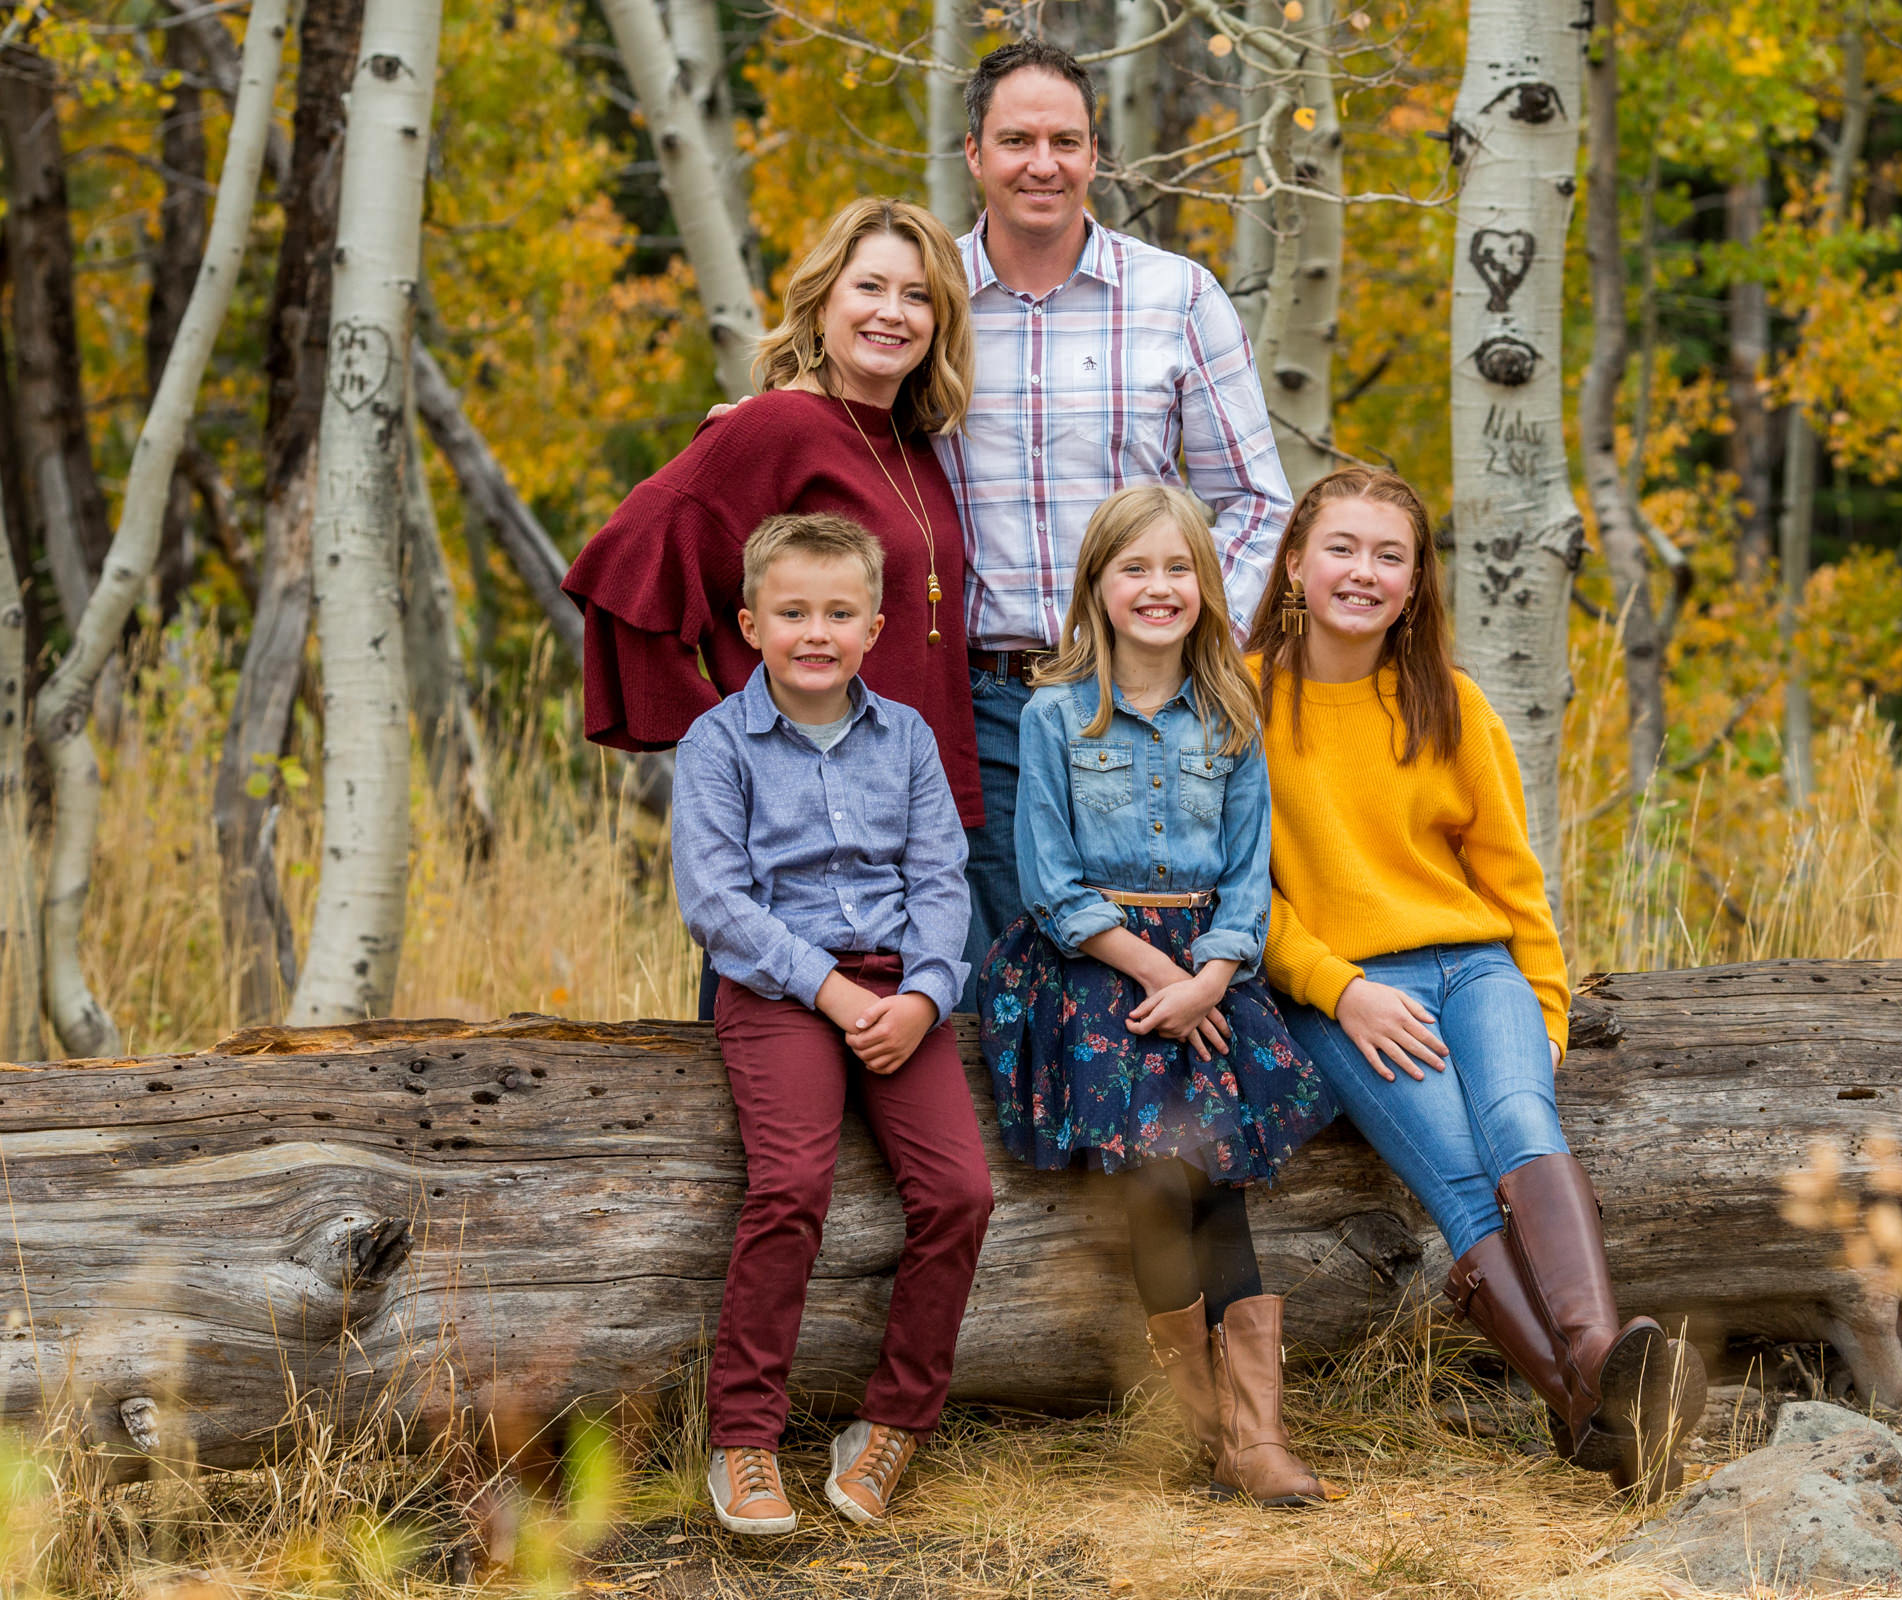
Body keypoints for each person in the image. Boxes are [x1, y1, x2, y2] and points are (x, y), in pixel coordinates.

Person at [1253, 468, 1707, 1500]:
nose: (1362, 572)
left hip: (1476, 967)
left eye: (1390, 556)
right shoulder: (1244, 702)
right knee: (1460, 1174)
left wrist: (1545, 1006)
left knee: (1518, 1121)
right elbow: (1244, 897)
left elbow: (1513, 878)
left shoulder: (1448, 703)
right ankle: (1603, 1396)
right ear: (1294, 562)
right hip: (1351, 989)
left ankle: (1592, 1375)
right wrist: (1337, 987)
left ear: (1415, 585)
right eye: (1342, 548)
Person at [976, 483, 1337, 1508]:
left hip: (1209, 968)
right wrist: (1160, 975)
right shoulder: (1054, 714)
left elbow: (1248, 871)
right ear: (1095, 586)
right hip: (1100, 972)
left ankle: (1255, 1435)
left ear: (1208, 589)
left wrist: (1215, 971)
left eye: (1179, 568)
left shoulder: (1227, 714)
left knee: (1218, 1171)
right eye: (1134, 567)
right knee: (1159, 1173)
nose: (1158, 587)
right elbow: (1047, 879)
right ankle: (1200, 1425)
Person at [565, 197, 983, 1016]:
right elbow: (624, 564)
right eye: (870, 286)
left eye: (919, 295)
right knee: (775, 1120)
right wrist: (718, 732)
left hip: (915, 829)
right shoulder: (773, 427)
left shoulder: (911, 442)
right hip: (795, 849)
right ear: (823, 299)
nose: (892, 313)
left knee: (926, 1109)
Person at [942, 40, 1294, 990]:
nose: (1042, 163)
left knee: (1135, 996)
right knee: (997, 996)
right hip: (975, 700)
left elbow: (1257, 502)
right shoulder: (926, 298)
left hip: (1143, 711)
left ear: (1097, 154)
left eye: (1067, 140)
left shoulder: (1176, 295)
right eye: (1016, 140)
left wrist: (1191, 648)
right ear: (973, 152)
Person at [673, 513, 992, 1534]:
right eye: (793, 612)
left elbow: (942, 882)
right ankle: (745, 1439)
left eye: (839, 613)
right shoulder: (717, 742)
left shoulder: (905, 737)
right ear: (750, 622)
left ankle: (893, 1420)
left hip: (901, 990)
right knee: (792, 1183)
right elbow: (716, 901)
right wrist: (833, 990)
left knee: (960, 1191)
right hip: (779, 992)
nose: (817, 632)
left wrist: (924, 995)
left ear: (876, 626)